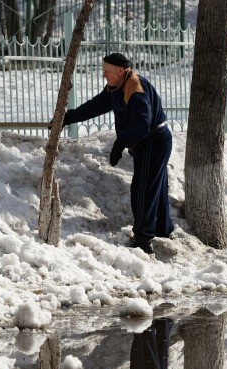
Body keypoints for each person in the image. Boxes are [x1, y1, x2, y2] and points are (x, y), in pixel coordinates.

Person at [55, 53, 174, 254]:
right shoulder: (116, 87)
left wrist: (120, 143)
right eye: (104, 71)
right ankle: (162, 228)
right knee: (155, 185)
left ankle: (143, 239)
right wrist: (69, 117)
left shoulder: (135, 89)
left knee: (143, 189)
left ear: (121, 70)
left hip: (153, 141)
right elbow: (97, 105)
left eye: (107, 71)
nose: (104, 75)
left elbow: (142, 124)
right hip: (146, 141)